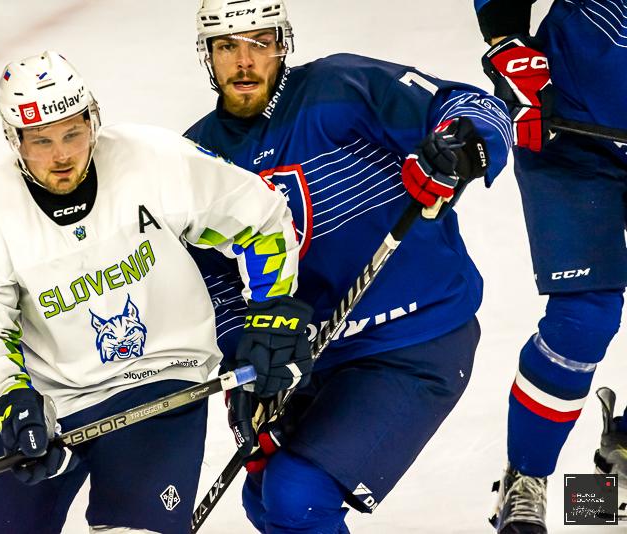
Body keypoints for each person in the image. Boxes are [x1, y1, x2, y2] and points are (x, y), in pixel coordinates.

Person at [0, 50, 311, 534]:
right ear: (15, 139)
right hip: (46, 398)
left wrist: (272, 308)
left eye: (73, 133)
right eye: (41, 141)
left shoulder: (152, 160)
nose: (62, 156)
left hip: (161, 377)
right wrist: (9, 397)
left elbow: (258, 216)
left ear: (93, 120)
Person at [185, 0, 513, 531]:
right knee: (263, 498)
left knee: (297, 496)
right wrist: (249, 359)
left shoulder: (339, 86)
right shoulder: (196, 157)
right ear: (207, 55)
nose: (244, 61)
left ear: (283, 45)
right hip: (314, 358)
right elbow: (210, 280)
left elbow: (470, 105)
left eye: (259, 43)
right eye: (227, 46)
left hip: (416, 339)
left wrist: (463, 143)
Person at [473, 1, 627, 531]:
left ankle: (615, 470)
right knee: (584, 319)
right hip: (571, 127)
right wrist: (507, 42)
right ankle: (526, 478)